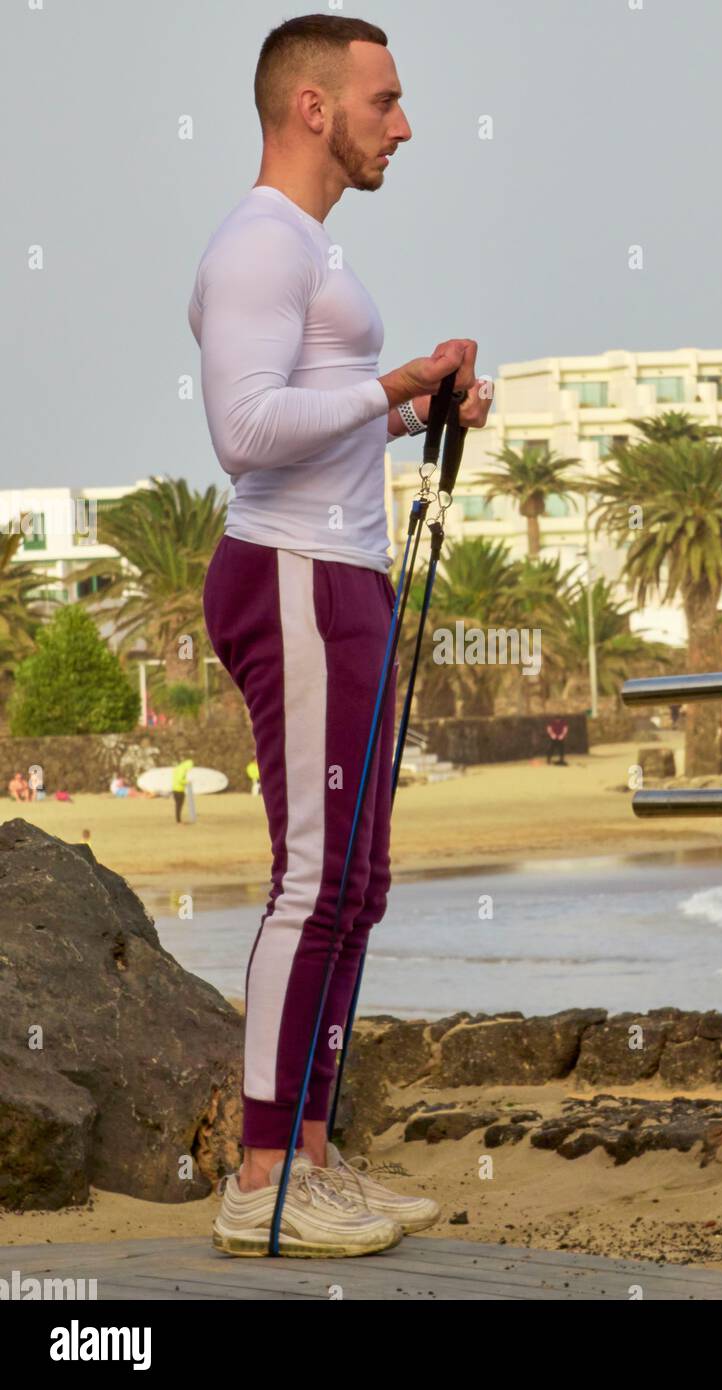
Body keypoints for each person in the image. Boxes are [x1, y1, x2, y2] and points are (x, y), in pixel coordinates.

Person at [191, 15, 492, 1259]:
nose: (404, 125)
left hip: (345, 572)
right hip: (297, 575)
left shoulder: (310, 250)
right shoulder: (261, 243)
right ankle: (261, 1174)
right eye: (386, 101)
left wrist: (414, 410)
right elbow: (245, 431)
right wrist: (390, 384)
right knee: (312, 881)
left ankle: (309, 1155)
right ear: (312, 107)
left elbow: (318, 421)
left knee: (356, 887)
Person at [171, 758, 194, 824]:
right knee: (179, 805)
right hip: (179, 790)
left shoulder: (178, 768)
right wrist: (187, 782)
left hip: (175, 789)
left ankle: (178, 820)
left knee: (178, 805)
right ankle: (178, 821)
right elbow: (180, 780)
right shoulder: (182, 770)